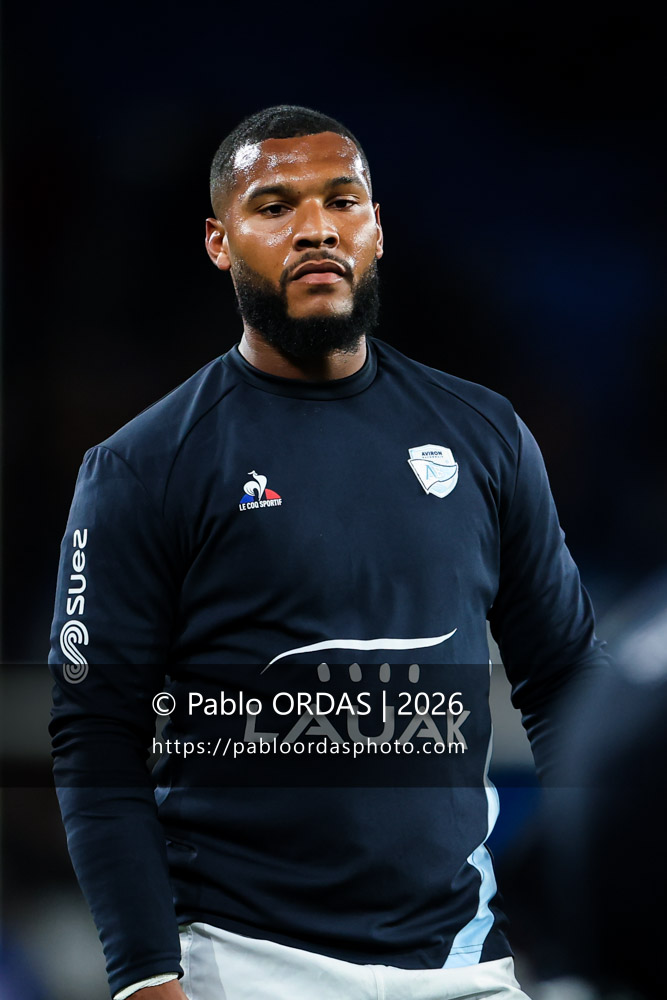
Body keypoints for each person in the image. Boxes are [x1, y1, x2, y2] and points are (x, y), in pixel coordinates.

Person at [49, 105, 608, 1000]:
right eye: (274, 207)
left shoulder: (485, 435)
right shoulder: (142, 467)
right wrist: (144, 975)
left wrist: (604, 899)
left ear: (375, 229)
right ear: (219, 242)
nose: (315, 228)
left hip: (464, 964)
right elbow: (95, 737)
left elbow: (568, 683)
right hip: (246, 966)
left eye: (341, 201)